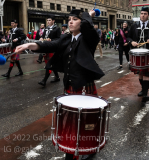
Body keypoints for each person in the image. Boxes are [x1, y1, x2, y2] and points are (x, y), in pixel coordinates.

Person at [14, 9, 104, 160]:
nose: (70, 21)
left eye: (75, 19)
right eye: (69, 19)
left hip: (83, 85)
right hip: (69, 84)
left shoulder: (89, 38)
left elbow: (89, 28)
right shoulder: (67, 38)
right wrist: (29, 45)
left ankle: (88, 147)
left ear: (82, 22)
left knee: (87, 121)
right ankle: (73, 150)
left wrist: (88, 15)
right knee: (71, 121)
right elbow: (50, 45)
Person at [127, 7, 149, 103]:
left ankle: (145, 93)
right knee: (140, 74)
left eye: (145, 13)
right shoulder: (134, 26)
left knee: (146, 74)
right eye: (141, 13)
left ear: (148, 15)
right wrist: (132, 42)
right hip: (137, 53)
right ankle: (143, 89)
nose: (142, 15)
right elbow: (128, 37)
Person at [38, 15, 61, 87]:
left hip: (52, 49)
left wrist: (51, 40)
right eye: (47, 20)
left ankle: (44, 81)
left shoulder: (57, 28)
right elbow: (43, 36)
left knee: (49, 64)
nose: (48, 22)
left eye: (49, 20)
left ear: (53, 21)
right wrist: (41, 38)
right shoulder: (46, 28)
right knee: (50, 64)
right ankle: (57, 77)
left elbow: (59, 39)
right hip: (46, 48)